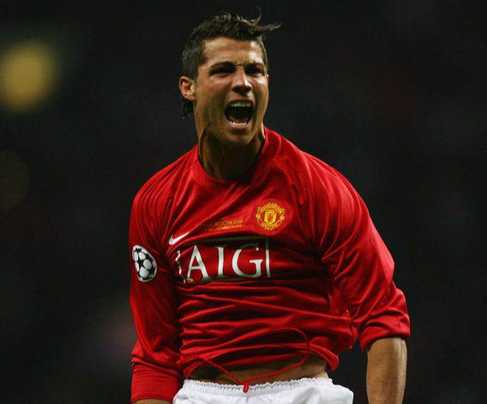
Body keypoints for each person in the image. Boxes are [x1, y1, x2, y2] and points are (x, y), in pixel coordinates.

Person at [128, 12, 410, 404]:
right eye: (224, 70)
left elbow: (383, 318)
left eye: (254, 71)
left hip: (301, 393)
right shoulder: (156, 203)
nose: (243, 82)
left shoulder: (317, 188)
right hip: (203, 395)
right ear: (188, 87)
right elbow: (156, 356)